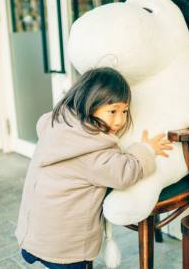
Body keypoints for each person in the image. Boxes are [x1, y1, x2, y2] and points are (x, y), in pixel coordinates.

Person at [15, 67, 172, 268]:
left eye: (125, 111)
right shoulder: (89, 148)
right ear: (89, 104)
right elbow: (123, 173)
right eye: (112, 111)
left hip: (36, 232)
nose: (120, 120)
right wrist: (146, 150)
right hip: (65, 246)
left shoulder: (59, 125)